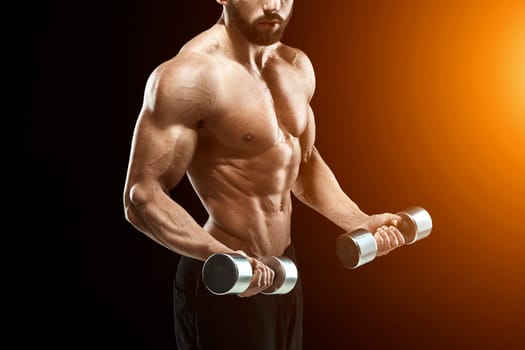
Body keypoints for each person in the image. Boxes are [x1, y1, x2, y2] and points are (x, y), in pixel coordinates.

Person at [123, 0, 406, 349]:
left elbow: (302, 163)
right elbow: (141, 196)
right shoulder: (188, 76)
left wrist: (357, 219)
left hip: (284, 271)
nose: (273, 5)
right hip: (227, 279)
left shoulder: (296, 66)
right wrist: (217, 255)